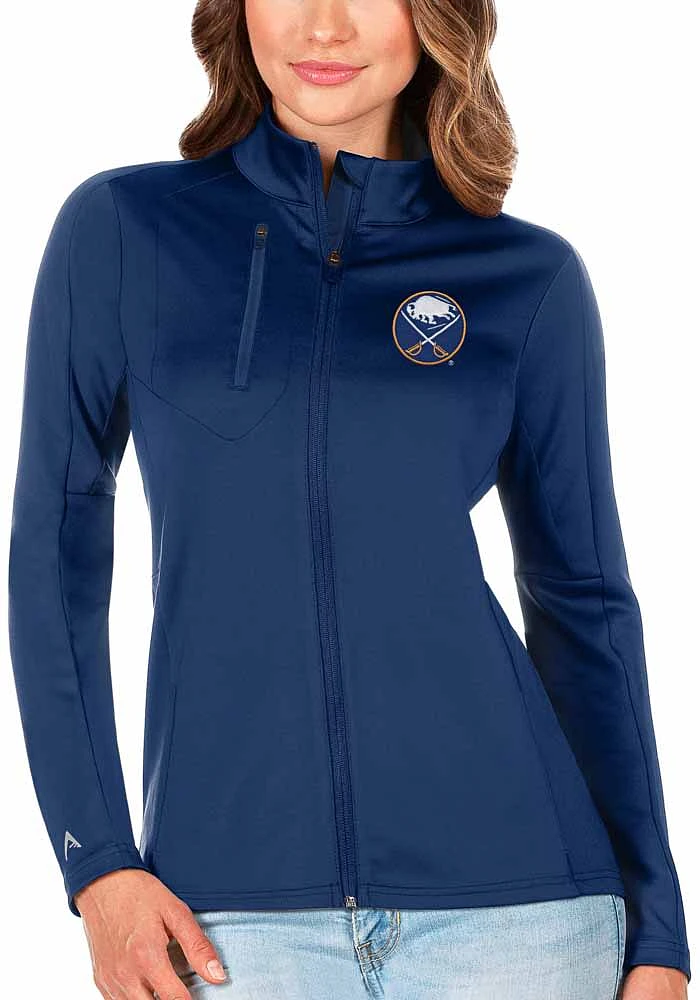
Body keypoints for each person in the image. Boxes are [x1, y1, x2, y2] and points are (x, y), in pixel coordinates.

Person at [7, 0, 691, 997]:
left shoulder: (524, 275)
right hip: (225, 919)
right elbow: (51, 559)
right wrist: (97, 863)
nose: (323, 26)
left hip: (522, 918)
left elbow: (583, 604)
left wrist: (660, 932)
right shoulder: (124, 230)